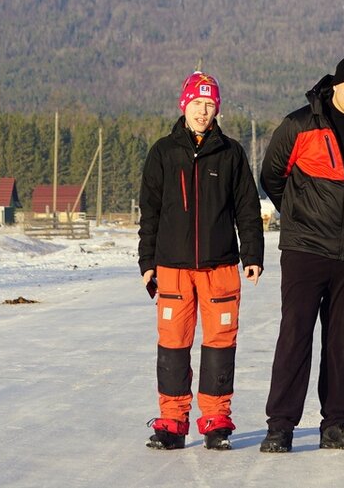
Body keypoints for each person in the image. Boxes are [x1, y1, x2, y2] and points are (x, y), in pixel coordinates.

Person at [258, 54, 344, 453]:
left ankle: (336, 423)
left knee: (341, 341)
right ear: (335, 85)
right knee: (295, 336)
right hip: (305, 249)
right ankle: (280, 425)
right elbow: (271, 176)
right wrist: (299, 215)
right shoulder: (300, 123)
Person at [138, 70, 264, 451]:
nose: (203, 111)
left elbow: (247, 208)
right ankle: (173, 422)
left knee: (219, 345)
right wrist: (147, 263)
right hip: (173, 269)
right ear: (184, 105)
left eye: (210, 105)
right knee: (173, 345)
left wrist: (252, 254)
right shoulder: (163, 152)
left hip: (220, 268)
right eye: (197, 103)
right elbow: (151, 212)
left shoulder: (231, 154)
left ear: (217, 109)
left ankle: (215, 420)